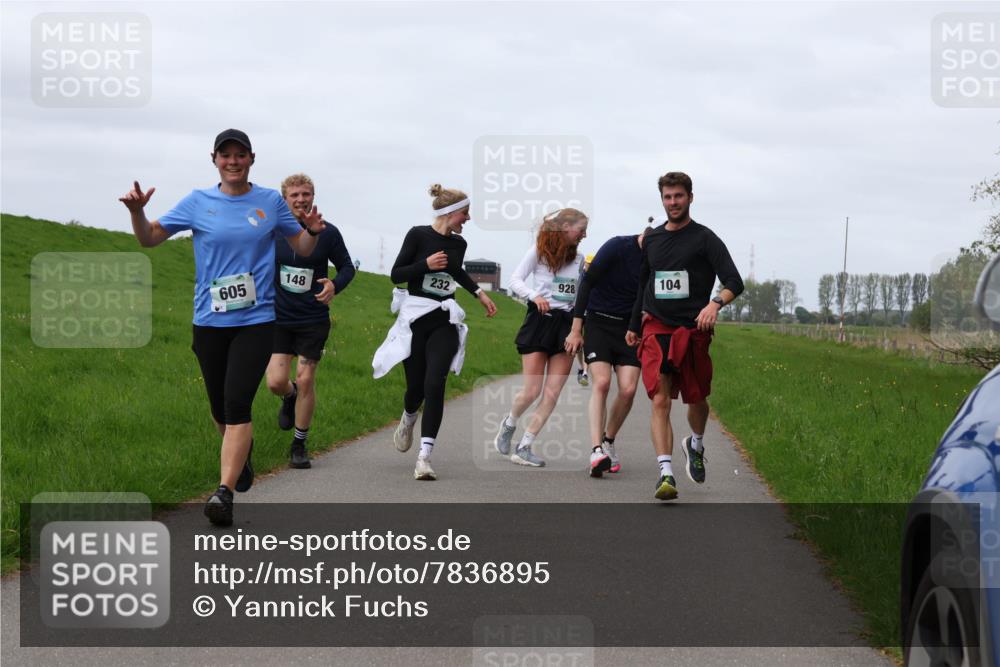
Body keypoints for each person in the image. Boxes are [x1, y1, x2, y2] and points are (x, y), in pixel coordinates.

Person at [119, 129, 324, 526]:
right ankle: (240, 456)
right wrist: (136, 212)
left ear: (251, 158)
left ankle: (223, 493)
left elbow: (301, 248)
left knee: (237, 404)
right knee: (218, 407)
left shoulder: (268, 202)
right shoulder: (198, 202)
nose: (233, 161)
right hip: (209, 321)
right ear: (214, 159)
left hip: (257, 320)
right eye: (225, 155)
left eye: (240, 154)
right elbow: (149, 239)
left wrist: (312, 232)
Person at [626, 172, 743, 501]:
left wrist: (715, 304)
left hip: (693, 329)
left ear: (690, 197)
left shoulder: (705, 239)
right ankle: (666, 473)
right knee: (660, 399)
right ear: (661, 199)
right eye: (667, 197)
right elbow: (644, 283)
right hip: (657, 328)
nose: (673, 202)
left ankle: (696, 444)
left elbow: (734, 280)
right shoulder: (652, 239)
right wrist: (634, 324)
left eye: (678, 196)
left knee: (696, 399)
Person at [373, 184, 497, 481]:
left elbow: (455, 272)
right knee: (415, 388)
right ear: (450, 213)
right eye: (465, 213)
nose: (467, 219)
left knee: (435, 381)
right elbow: (397, 274)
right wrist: (425, 265)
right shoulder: (417, 235)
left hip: (444, 319)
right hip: (415, 318)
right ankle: (408, 418)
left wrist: (479, 293)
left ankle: (424, 458)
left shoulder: (459, 244)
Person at [265, 173, 355, 469]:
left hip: (313, 318)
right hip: (278, 317)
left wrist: (334, 285)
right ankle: (288, 397)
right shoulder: (274, 230)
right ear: (285, 199)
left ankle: (299, 444)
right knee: (276, 382)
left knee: (306, 378)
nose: (301, 199)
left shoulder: (327, 232)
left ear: (313, 196)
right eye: (295, 195)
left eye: (306, 194)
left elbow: (346, 268)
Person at [493, 209, 588, 467]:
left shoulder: (580, 259)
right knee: (532, 390)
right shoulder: (539, 251)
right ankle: (509, 423)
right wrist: (534, 295)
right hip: (540, 320)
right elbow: (515, 280)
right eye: (581, 229)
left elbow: (582, 294)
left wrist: (579, 329)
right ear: (565, 227)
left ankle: (525, 446)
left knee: (553, 392)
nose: (584, 234)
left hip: (566, 326)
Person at [565, 227, 648, 478]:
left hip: (629, 329)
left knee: (629, 389)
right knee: (601, 383)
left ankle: (609, 440)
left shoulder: (656, 258)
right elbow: (587, 283)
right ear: (643, 238)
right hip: (599, 323)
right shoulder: (617, 246)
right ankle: (596, 450)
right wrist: (576, 329)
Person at [575, 254, 594, 387]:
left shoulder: (596, 278)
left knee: (588, 343)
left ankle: (586, 373)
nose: (588, 266)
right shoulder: (578, 277)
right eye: (587, 264)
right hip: (578, 313)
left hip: (591, 314)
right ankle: (581, 367)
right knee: (578, 345)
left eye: (591, 264)